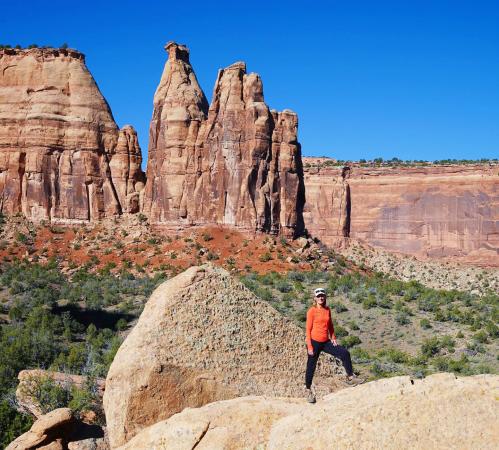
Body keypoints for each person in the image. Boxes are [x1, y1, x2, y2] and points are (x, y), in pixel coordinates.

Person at [305, 287, 363, 403]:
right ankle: (308, 390)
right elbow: (307, 329)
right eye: (318, 296)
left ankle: (350, 377)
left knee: (344, 353)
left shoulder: (327, 310)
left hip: (326, 342)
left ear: (325, 297)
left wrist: (333, 338)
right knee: (311, 366)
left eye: (322, 295)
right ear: (315, 298)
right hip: (314, 342)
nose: (321, 297)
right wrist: (310, 346)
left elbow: (330, 325)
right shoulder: (312, 311)